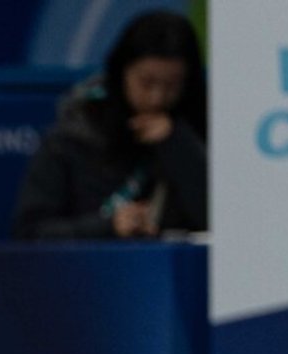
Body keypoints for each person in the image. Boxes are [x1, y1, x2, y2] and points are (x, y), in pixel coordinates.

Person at [12, 9, 207, 240]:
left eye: (172, 85)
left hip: (181, 271)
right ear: (122, 72)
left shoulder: (202, 131)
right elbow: (30, 233)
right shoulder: (74, 135)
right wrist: (107, 227)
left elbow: (225, 219)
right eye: (146, 82)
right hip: (89, 272)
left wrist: (179, 146)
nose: (157, 97)